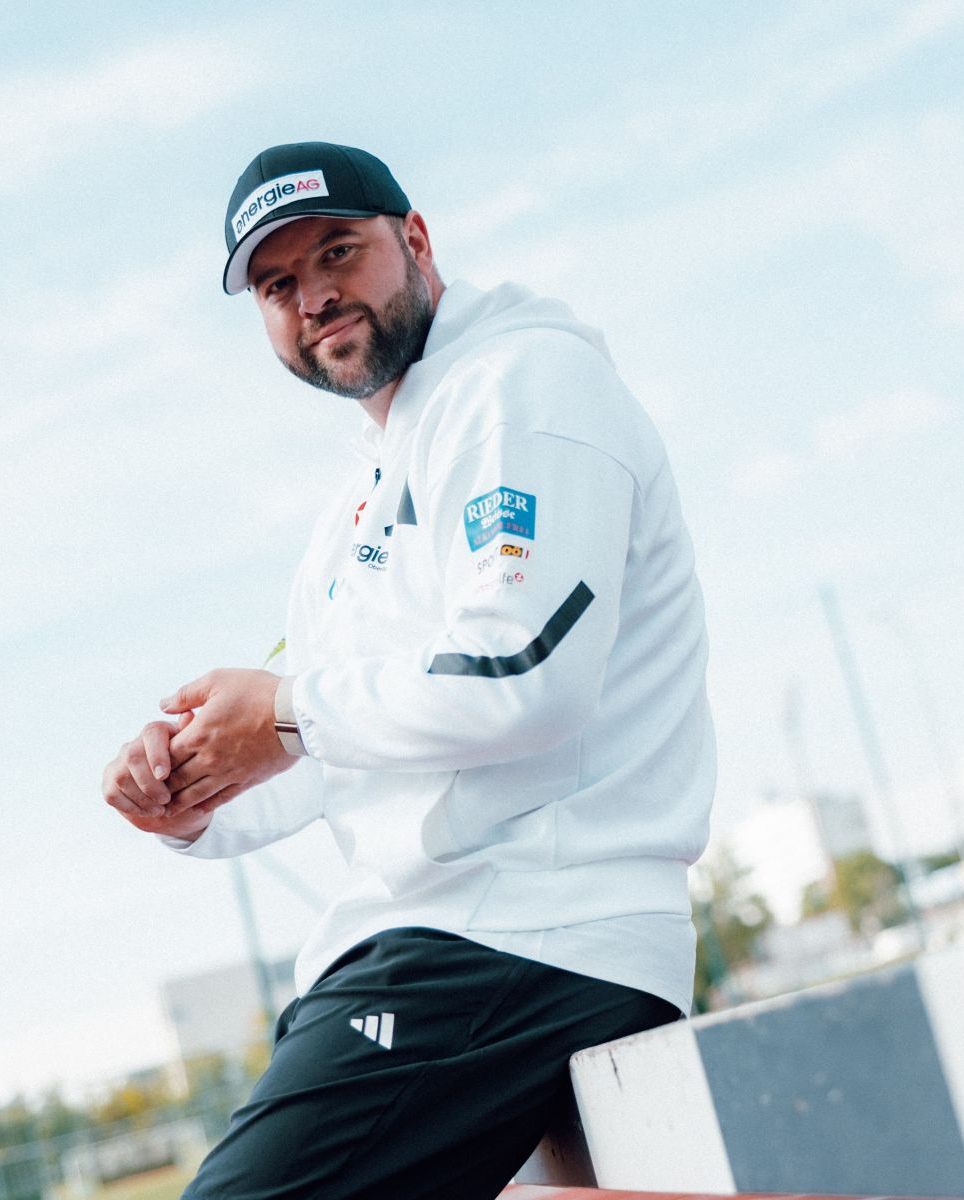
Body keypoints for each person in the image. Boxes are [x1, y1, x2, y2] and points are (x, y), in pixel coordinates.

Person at [98, 141, 716, 1200]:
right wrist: (188, 795)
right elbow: (339, 741)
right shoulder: (363, 495)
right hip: (438, 950)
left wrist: (283, 714)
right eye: (278, 285)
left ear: (417, 242)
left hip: (525, 937)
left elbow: (523, 674)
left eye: (337, 252)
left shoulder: (523, 387)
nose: (313, 297)